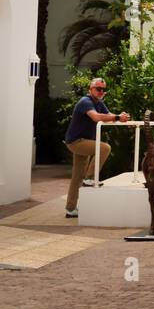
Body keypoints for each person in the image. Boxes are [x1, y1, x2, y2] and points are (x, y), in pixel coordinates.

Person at [64, 76, 130, 218]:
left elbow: (109, 115)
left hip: (83, 142)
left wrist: (121, 117)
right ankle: (90, 178)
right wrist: (117, 117)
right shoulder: (85, 101)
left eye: (103, 89)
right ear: (90, 89)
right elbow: (95, 117)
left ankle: (70, 209)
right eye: (98, 88)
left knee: (77, 177)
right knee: (105, 148)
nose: (100, 91)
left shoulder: (98, 102)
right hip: (76, 142)